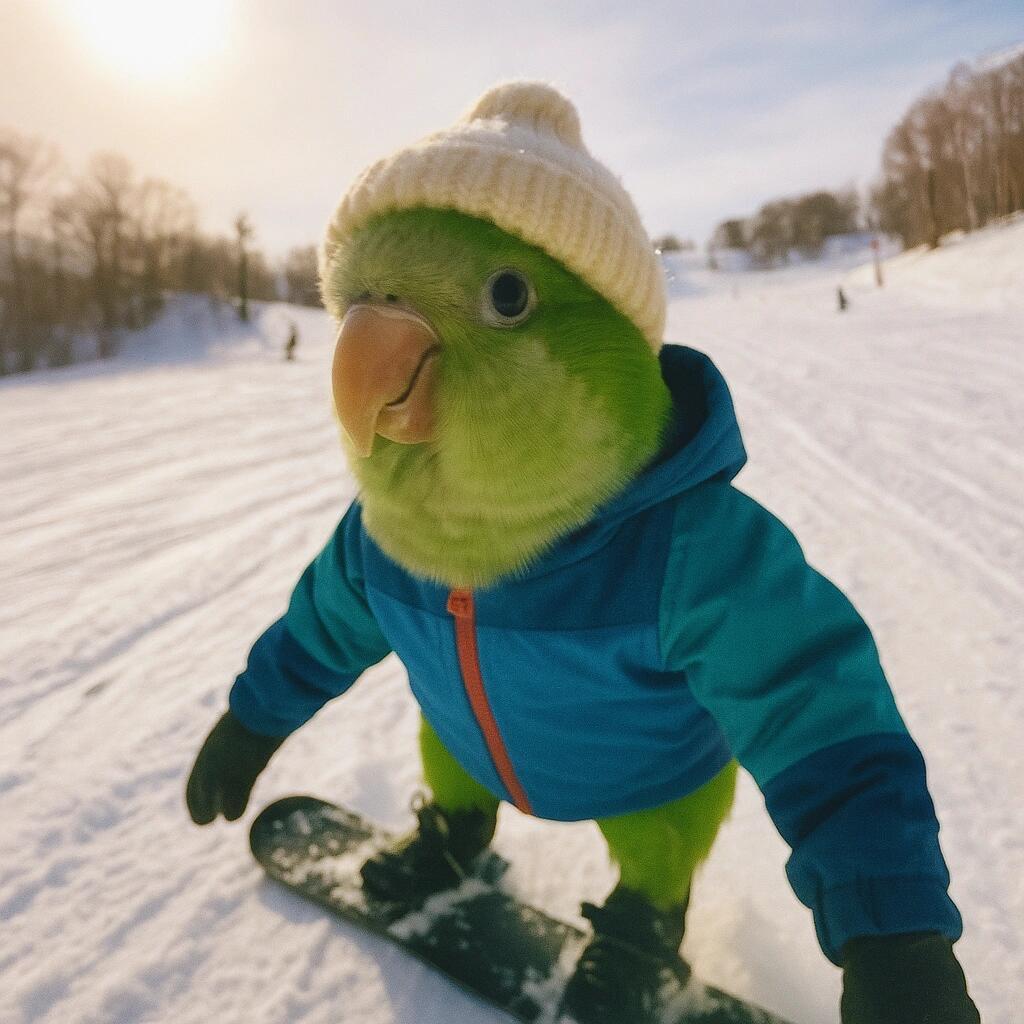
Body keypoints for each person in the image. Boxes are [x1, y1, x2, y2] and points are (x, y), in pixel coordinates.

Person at [186, 82, 980, 1024]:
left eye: (506, 295)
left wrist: (891, 929)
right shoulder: (384, 537)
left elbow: (820, 716)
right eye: (361, 301)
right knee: (451, 754)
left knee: (657, 839)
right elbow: (318, 629)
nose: (378, 338)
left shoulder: (690, 548)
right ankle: (455, 830)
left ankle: (649, 917)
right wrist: (253, 719)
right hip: (471, 742)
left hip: (650, 782)